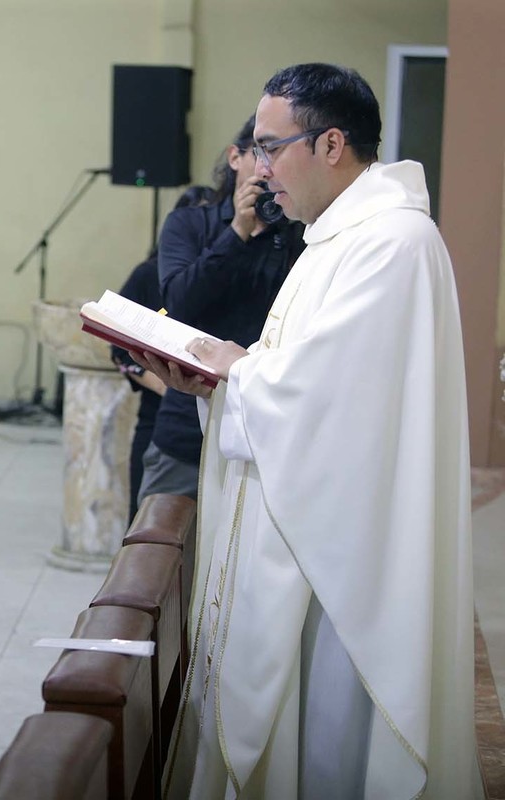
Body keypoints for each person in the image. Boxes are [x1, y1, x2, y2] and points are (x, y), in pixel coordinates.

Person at [139, 63, 478, 798]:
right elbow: (301, 376)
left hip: (349, 559)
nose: (257, 168)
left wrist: (237, 372)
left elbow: (335, 406)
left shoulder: (392, 242)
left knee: (333, 741)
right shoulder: (334, 237)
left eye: (270, 146)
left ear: (330, 144)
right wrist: (220, 382)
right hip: (311, 526)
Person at [137, 117, 307, 507]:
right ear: (234, 157)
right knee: (160, 538)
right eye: (260, 153)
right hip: (184, 428)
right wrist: (237, 232)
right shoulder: (189, 224)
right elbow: (178, 303)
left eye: (277, 154)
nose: (267, 169)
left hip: (261, 429)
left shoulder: (298, 235)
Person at [112, 185, 215, 522]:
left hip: (208, 425)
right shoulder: (149, 274)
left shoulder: (224, 274)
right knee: (149, 523)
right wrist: (165, 384)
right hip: (161, 421)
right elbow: (119, 349)